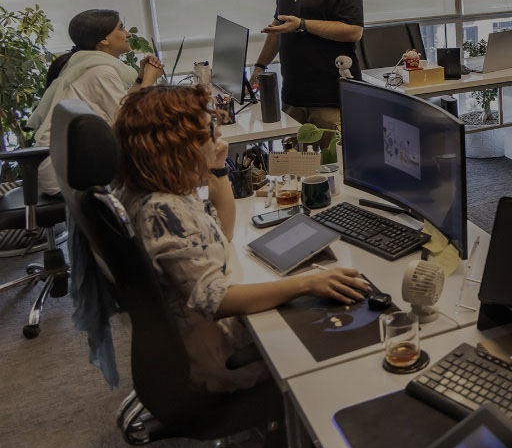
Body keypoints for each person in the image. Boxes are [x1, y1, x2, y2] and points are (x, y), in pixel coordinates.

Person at [114, 84, 371, 392]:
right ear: (178, 145)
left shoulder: (153, 191)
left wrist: (217, 169)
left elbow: (223, 232)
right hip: (222, 357)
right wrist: (307, 284)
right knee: (356, 332)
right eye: (209, 131)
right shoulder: (163, 211)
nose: (218, 135)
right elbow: (217, 300)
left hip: (201, 339)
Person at [27, 9, 164, 196]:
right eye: (121, 28)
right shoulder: (100, 71)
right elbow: (128, 121)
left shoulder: (88, 64)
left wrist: (141, 78)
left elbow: (124, 105)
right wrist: (150, 79)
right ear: (104, 39)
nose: (128, 34)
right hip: (65, 172)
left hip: (64, 163)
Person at [252, 0, 364, 137]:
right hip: (293, 98)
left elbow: (354, 31)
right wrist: (259, 66)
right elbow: (278, 26)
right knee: (295, 159)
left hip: (330, 101)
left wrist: (302, 24)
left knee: (333, 158)